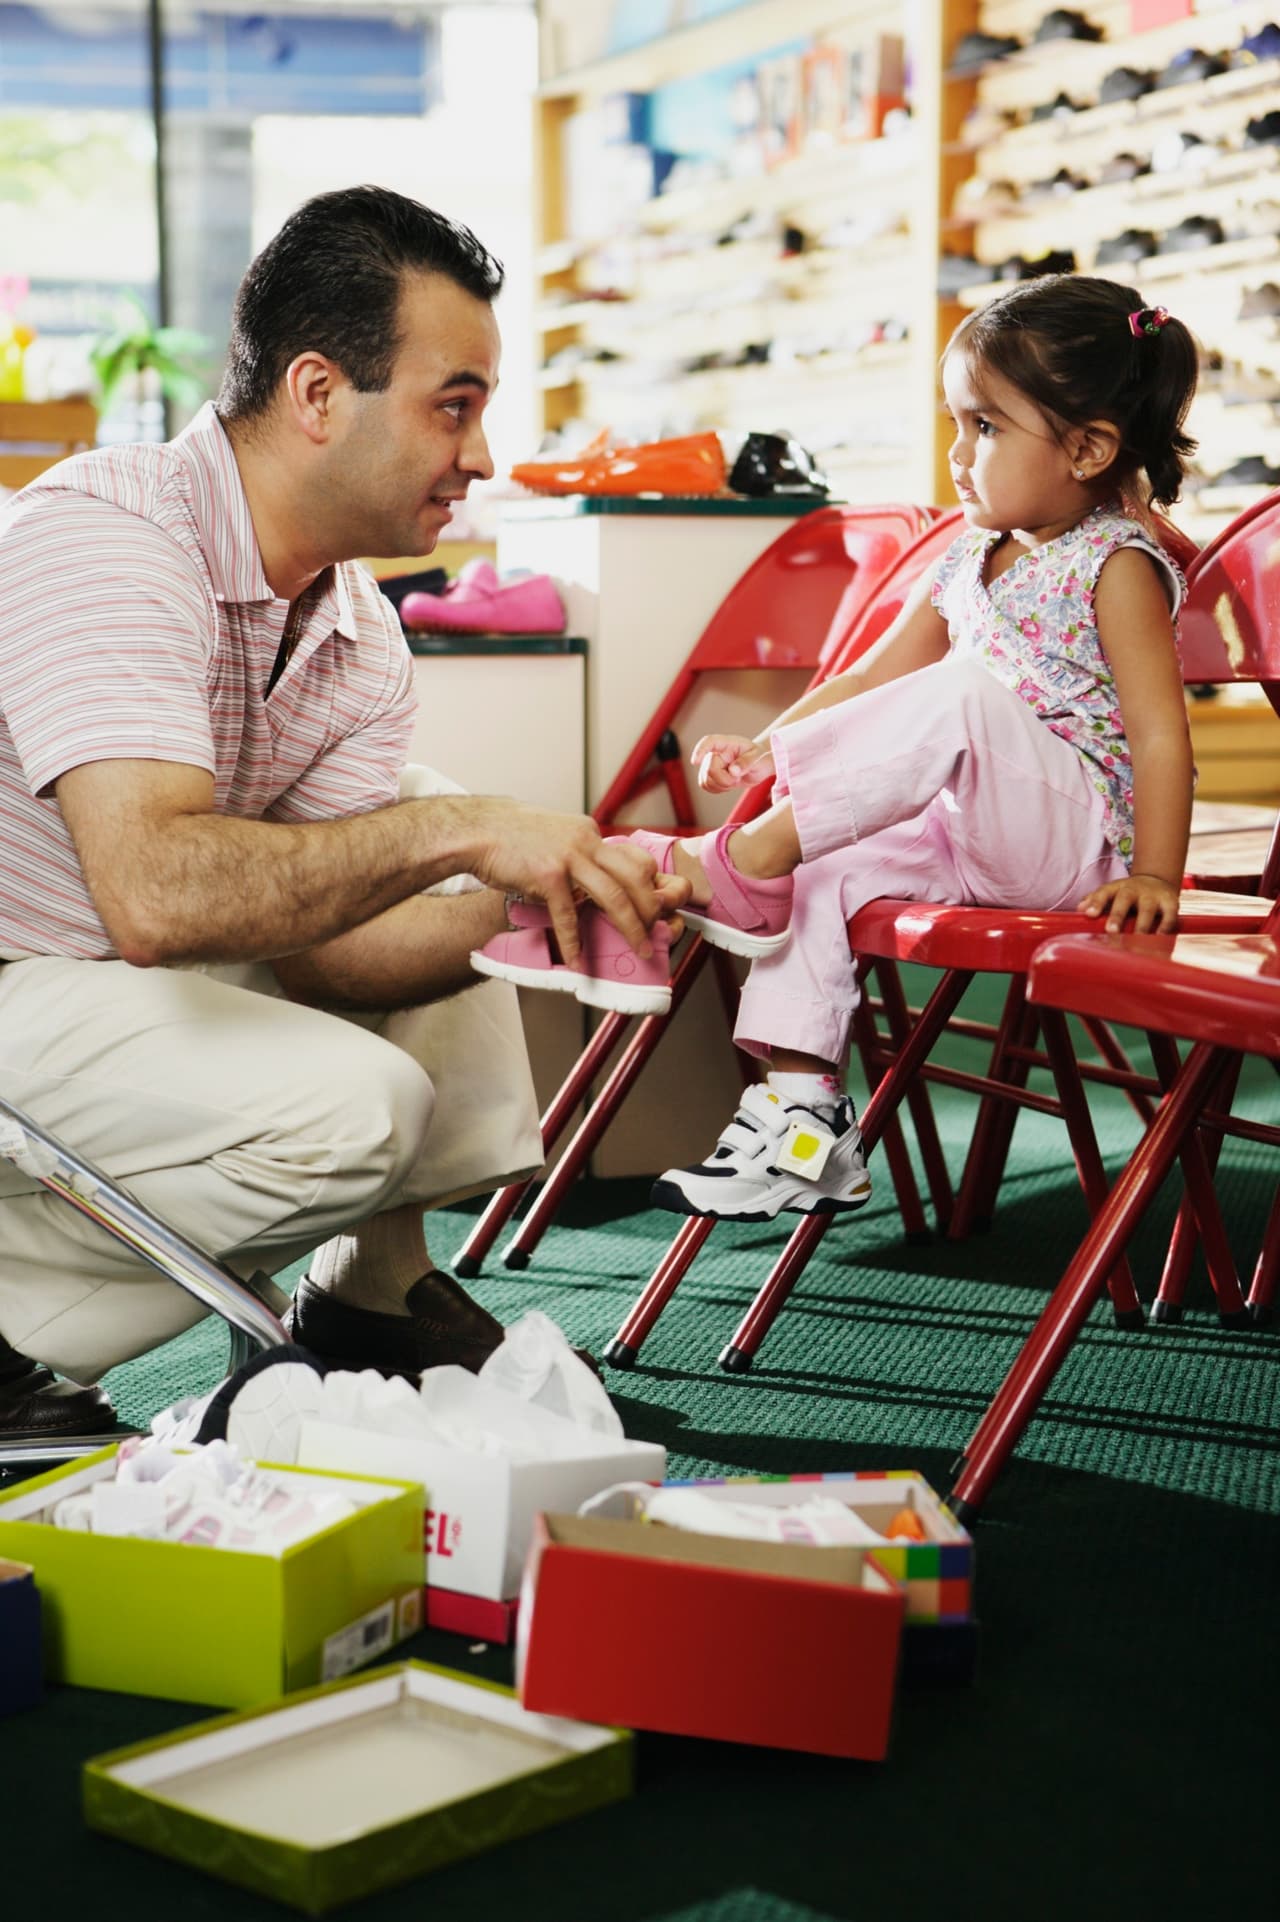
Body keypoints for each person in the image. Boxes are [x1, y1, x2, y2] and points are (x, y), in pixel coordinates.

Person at [0, 184, 681, 1436]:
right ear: (318, 394)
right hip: (20, 970)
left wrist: (532, 897)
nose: (479, 456)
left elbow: (341, 958)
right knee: (358, 1099)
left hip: (98, 984)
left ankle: (370, 1290)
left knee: (424, 836)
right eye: (454, 406)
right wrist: (464, 829)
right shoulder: (109, 531)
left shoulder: (358, 626)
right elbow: (155, 896)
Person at [481, 275, 1199, 1221]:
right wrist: (772, 750)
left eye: (985, 428)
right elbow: (865, 678)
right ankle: (801, 1123)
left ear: (1089, 448)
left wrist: (1155, 873)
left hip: (1075, 846)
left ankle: (730, 863)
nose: (958, 453)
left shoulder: (1117, 564)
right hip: (971, 830)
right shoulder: (964, 558)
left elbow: (1159, 735)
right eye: (956, 424)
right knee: (816, 872)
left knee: (960, 696)